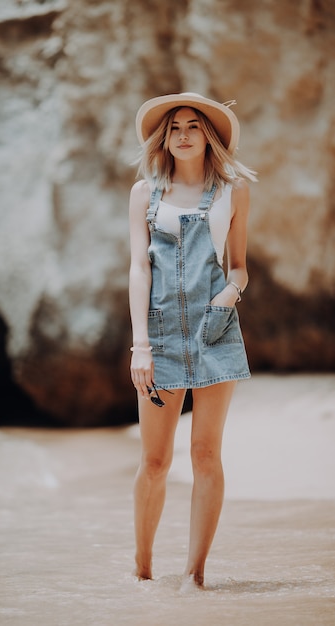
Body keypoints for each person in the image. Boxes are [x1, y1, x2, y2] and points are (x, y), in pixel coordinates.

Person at [128, 92, 257, 590]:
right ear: (165, 137)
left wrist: (229, 294)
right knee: (155, 461)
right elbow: (139, 268)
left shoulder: (234, 189)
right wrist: (140, 345)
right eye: (174, 126)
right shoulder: (145, 192)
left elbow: (241, 266)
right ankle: (141, 568)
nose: (182, 134)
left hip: (216, 329)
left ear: (209, 136)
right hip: (158, 335)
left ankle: (194, 575)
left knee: (205, 454)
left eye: (193, 126)